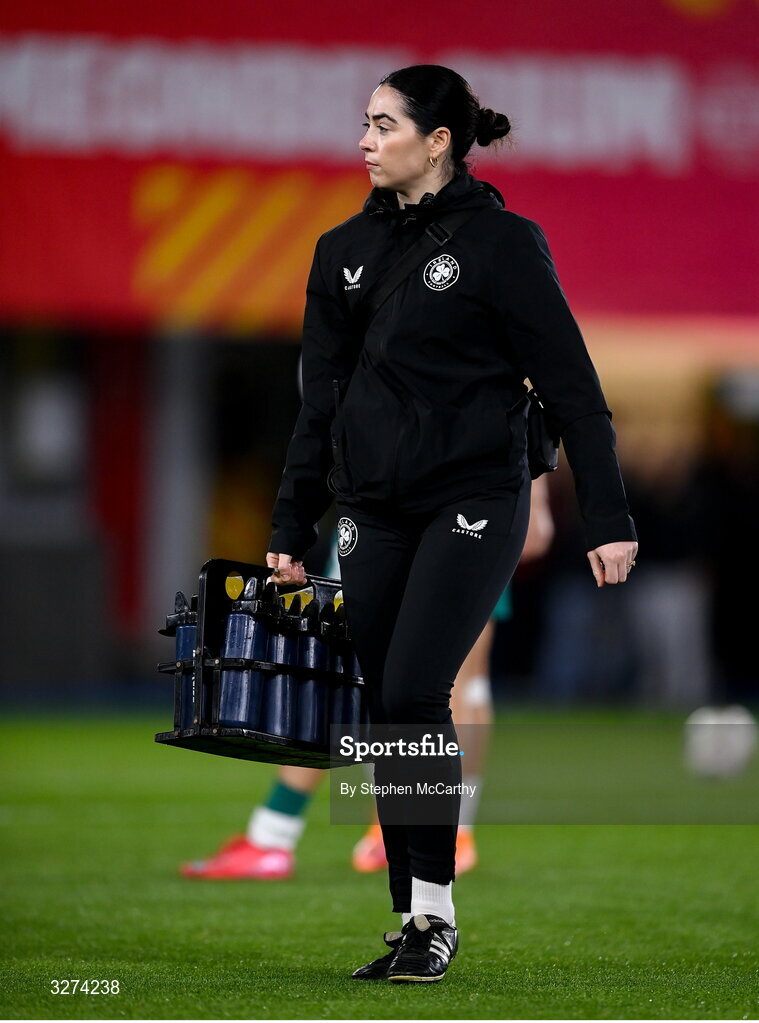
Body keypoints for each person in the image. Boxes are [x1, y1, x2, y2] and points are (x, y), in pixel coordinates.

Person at [265, 64, 638, 984]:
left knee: (418, 688)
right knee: (387, 707)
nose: (363, 140)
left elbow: (574, 393)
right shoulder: (337, 251)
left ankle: (434, 915)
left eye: (383, 124)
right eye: (362, 121)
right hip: (373, 506)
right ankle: (410, 917)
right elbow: (319, 408)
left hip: (475, 495)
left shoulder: (506, 243)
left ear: (437, 142)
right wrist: (289, 524)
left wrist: (608, 517)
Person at [179, 476, 554, 881]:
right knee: (359, 667)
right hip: (415, 512)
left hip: (440, 511)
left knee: (428, 674)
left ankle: (280, 836)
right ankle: (420, 828)